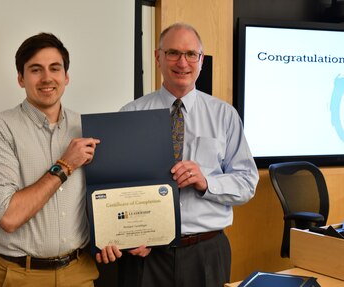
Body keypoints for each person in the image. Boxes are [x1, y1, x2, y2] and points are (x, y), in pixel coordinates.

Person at [97, 23, 259, 287]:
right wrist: (127, 236)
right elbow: (117, 188)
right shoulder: (129, 115)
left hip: (205, 251)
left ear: (201, 60)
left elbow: (247, 183)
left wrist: (207, 182)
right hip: (146, 255)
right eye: (172, 53)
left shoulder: (225, 115)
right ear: (157, 57)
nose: (182, 62)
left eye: (190, 54)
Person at [0, 32, 100, 287]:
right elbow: (9, 216)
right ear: (21, 78)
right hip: (19, 275)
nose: (46, 78)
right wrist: (66, 164)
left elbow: (102, 198)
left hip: (79, 272)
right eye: (35, 70)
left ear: (66, 77)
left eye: (55, 68)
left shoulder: (86, 127)